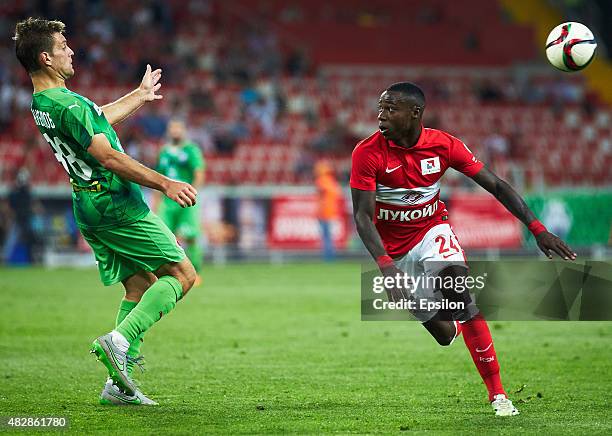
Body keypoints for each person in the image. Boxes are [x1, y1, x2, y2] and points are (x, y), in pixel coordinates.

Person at [351, 82, 576, 416]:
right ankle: (453, 326)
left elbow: (497, 185)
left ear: (415, 113)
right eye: (380, 108)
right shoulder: (367, 153)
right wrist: (387, 268)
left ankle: (498, 395)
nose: (380, 115)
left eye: (390, 108)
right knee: (444, 335)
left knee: (461, 299)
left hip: (432, 230)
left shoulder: (443, 145)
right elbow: (362, 216)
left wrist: (537, 229)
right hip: (395, 251)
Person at [15, 17, 199, 406]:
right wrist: (165, 183)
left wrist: (138, 94)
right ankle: (118, 341)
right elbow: (108, 155)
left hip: (87, 204)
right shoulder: (69, 102)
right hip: (115, 203)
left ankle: (118, 386)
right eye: (64, 47)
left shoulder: (43, 103)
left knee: (138, 285)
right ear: (47, 57)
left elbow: (93, 121)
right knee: (182, 275)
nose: (71, 51)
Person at [153, 119, 205, 284]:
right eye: (172, 128)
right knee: (164, 237)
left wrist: (193, 193)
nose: (175, 131)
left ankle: (195, 274)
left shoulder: (191, 150)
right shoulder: (163, 151)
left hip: (186, 199)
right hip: (167, 202)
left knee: (190, 236)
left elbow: (199, 172)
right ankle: (166, 273)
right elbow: (158, 176)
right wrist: (156, 200)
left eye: (178, 128)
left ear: (183, 130)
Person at [314, 160, 341, 261]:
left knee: (326, 236)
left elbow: (321, 190)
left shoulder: (322, 180)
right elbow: (338, 193)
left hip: (323, 212)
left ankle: (328, 257)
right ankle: (330, 256)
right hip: (330, 212)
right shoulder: (332, 181)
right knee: (328, 236)